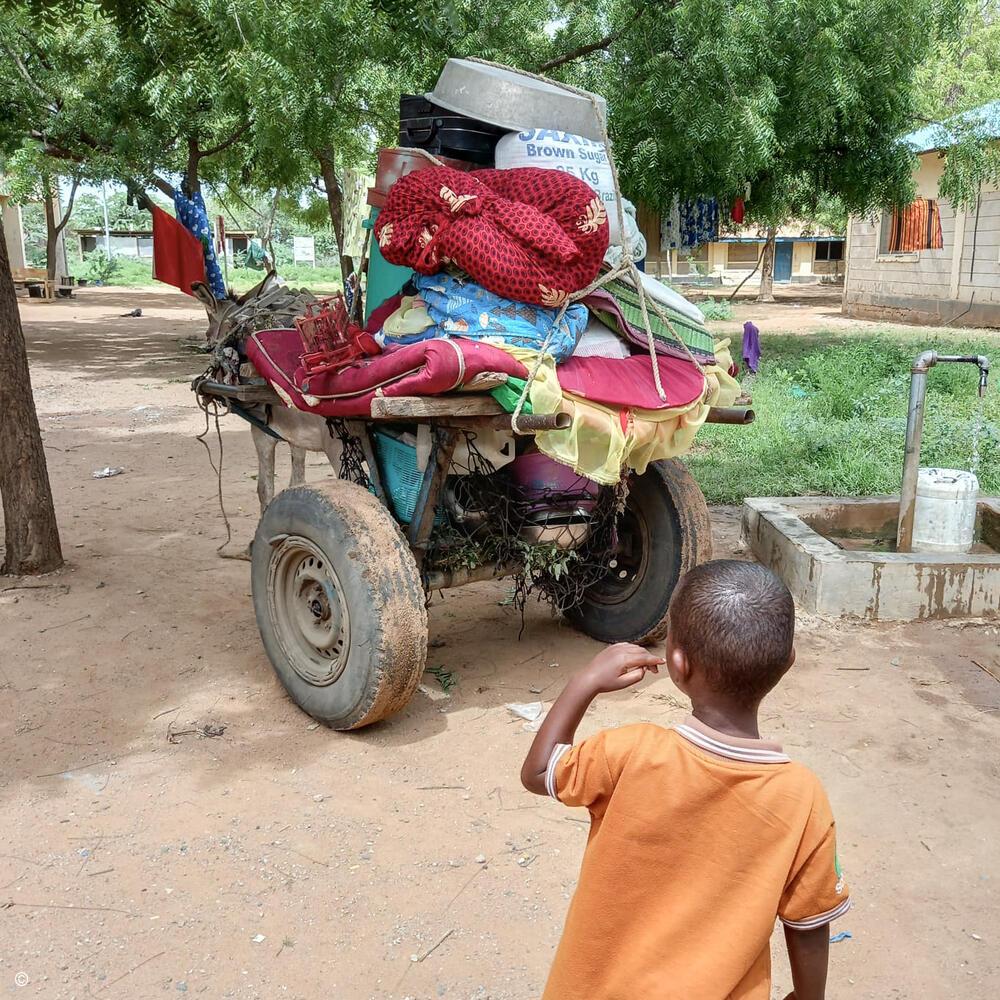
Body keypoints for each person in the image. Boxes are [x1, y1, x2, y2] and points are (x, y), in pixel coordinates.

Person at [521, 559, 850, 1000]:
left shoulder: (630, 752)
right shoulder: (802, 797)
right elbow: (808, 922)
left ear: (677, 663)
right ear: (788, 662)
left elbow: (540, 771)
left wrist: (585, 682)